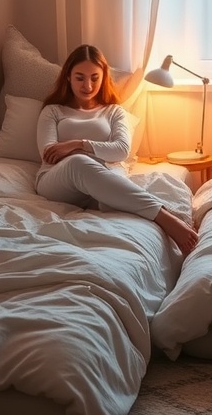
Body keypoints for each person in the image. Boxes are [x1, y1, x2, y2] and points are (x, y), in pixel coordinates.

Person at [35, 44, 198, 256]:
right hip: (58, 180)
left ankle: (136, 209)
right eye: (80, 77)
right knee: (79, 164)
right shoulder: (53, 111)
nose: (87, 85)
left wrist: (77, 144)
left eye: (94, 77)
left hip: (104, 177)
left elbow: (121, 150)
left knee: (101, 177)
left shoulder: (114, 112)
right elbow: (49, 154)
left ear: (103, 77)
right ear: (68, 77)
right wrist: (95, 153)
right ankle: (164, 216)